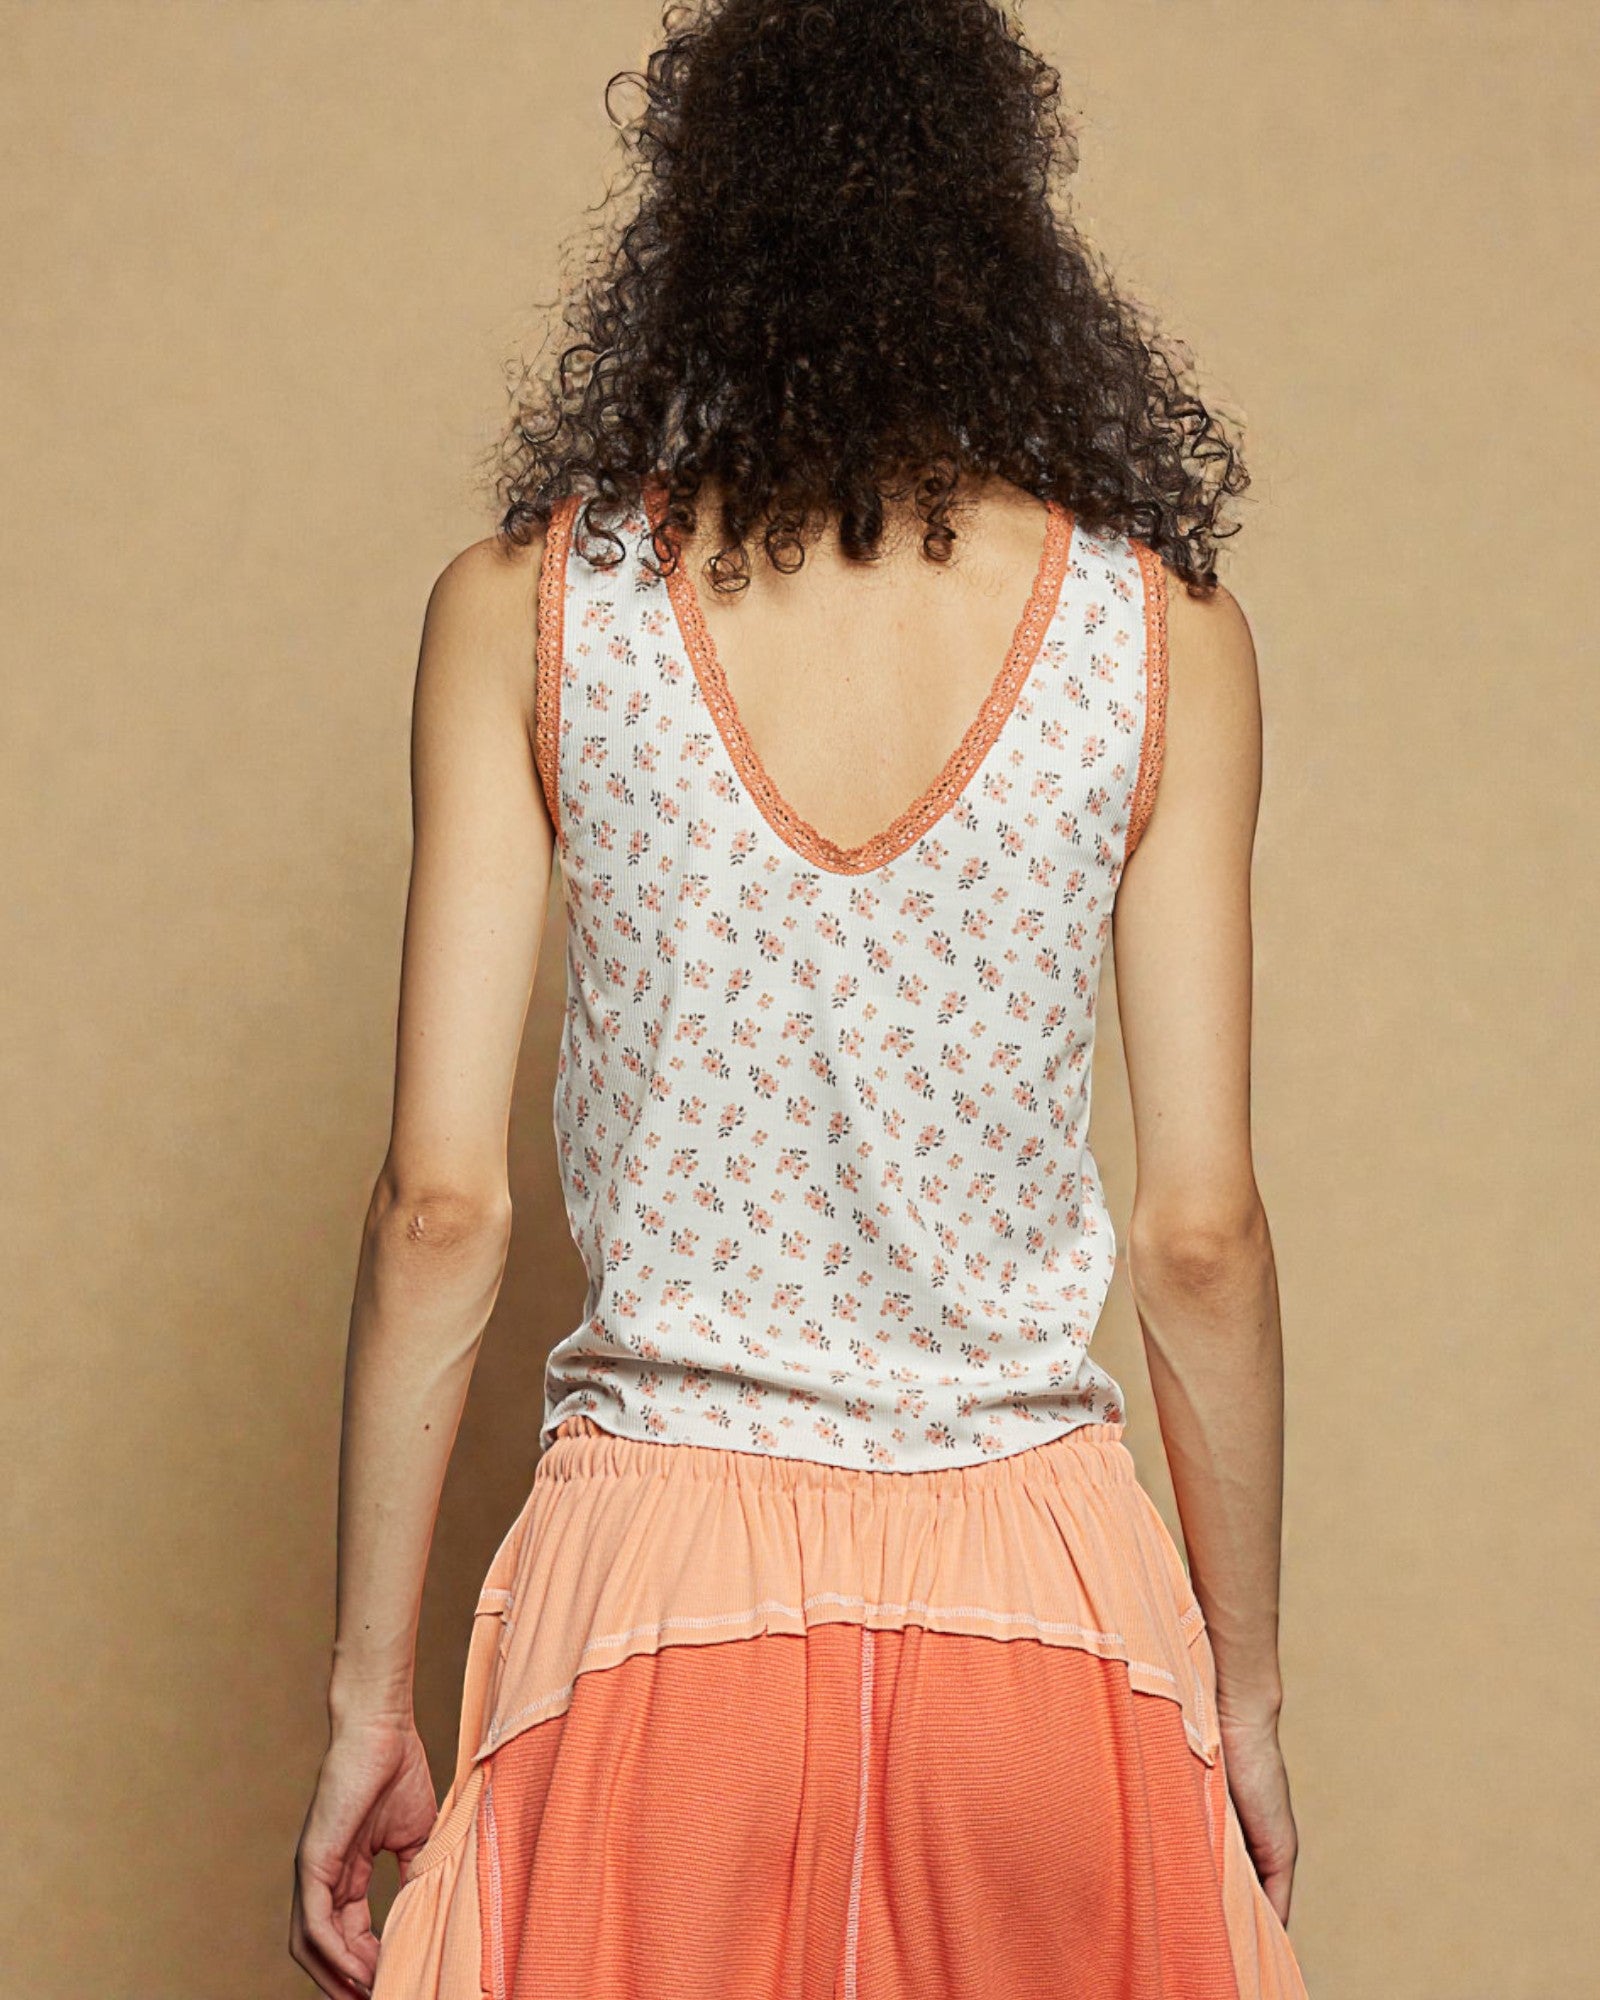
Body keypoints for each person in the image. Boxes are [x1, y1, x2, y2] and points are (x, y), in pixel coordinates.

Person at [290, 3, 1310, 1995]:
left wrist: (363, 1704)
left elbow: (439, 1205)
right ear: (1004, 242)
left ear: (693, 239)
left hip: (650, 1604)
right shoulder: (1164, 635)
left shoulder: (527, 608)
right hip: (1051, 1611)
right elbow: (1198, 1234)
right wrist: (1242, 1694)